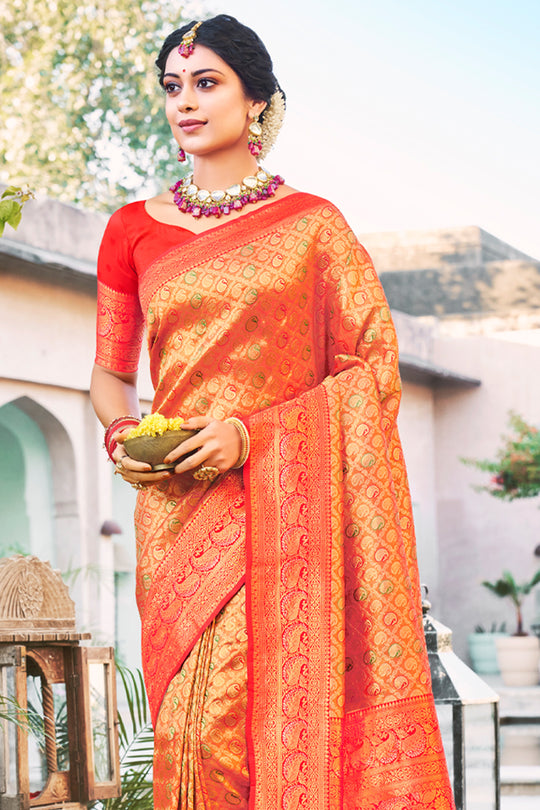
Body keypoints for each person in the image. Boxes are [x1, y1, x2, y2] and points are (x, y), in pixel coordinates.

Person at [90, 14, 455, 810]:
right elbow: (109, 376)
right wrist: (125, 435)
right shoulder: (130, 232)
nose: (185, 101)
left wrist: (250, 437)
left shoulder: (313, 227)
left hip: (285, 513)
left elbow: (373, 370)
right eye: (172, 87)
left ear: (257, 102)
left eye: (206, 83)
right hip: (177, 508)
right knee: (192, 735)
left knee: (252, 720)